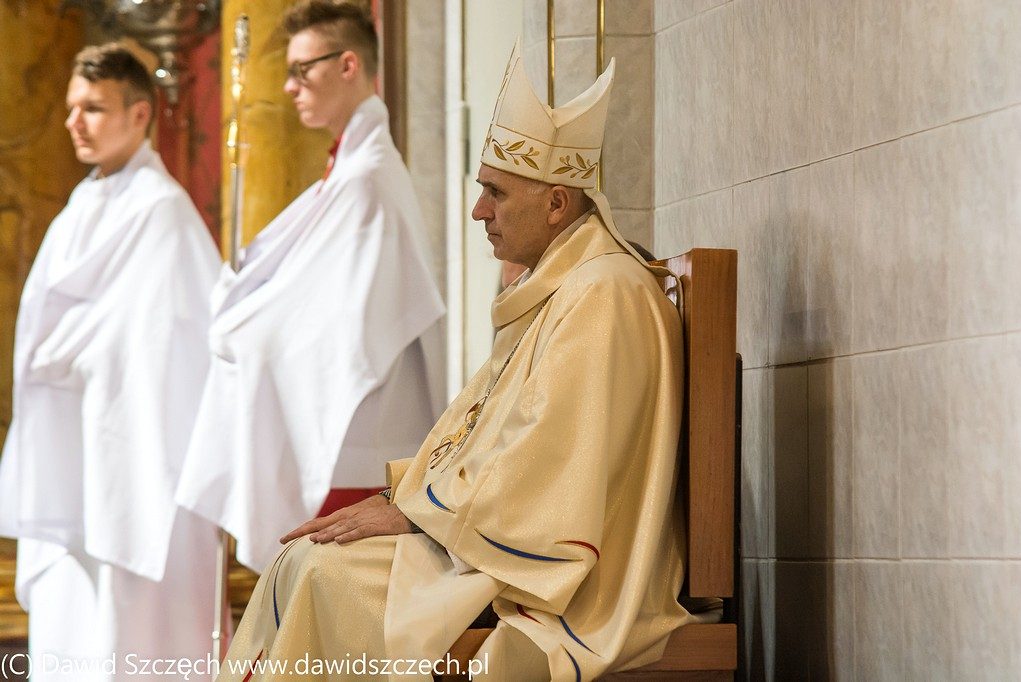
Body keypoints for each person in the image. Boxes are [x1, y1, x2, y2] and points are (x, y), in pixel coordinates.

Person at [218, 40, 704, 681]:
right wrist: (406, 498)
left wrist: (415, 512)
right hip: (499, 540)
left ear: (557, 203)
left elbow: (552, 468)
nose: (479, 211)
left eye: (495, 193)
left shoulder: (605, 294)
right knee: (304, 558)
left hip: (556, 580)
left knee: (322, 573)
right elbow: (504, 443)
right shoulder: (563, 289)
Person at [175, 0, 445, 573]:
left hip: (353, 440)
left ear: (348, 65)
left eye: (303, 69)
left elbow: (342, 326)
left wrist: (245, 330)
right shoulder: (349, 170)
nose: (290, 87)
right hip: (354, 439)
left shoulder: (367, 180)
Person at [0, 44, 221, 677]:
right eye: (73, 107)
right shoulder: (80, 206)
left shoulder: (163, 213)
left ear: (140, 115)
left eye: (94, 108)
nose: (74, 122)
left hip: (137, 459)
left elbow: (166, 341)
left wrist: (76, 351)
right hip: (71, 445)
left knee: (132, 639)